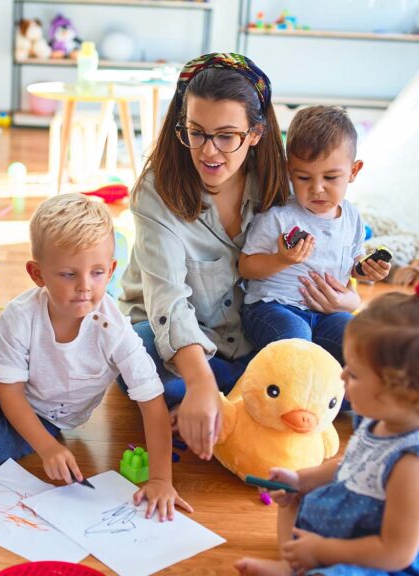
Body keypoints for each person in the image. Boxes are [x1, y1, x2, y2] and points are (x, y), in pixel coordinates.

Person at [0, 194, 192, 521]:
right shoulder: (20, 315)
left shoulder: (115, 331)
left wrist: (160, 480)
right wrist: (47, 447)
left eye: (97, 272)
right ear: (37, 274)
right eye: (69, 275)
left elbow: (152, 403)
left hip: (48, 414)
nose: (85, 287)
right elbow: (10, 391)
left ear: (111, 270)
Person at [118, 53, 291, 460]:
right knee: (137, 361)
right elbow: (168, 303)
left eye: (226, 136)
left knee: (327, 362)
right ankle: (230, 395)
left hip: (248, 335)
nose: (208, 152)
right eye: (196, 132)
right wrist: (199, 383)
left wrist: (344, 295)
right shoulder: (156, 192)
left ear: (255, 133)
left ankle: (223, 396)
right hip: (169, 336)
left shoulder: (277, 185)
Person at [234, 291, 419, 576]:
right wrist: (300, 480)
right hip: (362, 519)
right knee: (293, 496)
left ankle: (309, 565)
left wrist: (322, 550)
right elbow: (356, 462)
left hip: (392, 561)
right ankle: (292, 566)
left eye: (355, 373)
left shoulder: (417, 463)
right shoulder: (384, 418)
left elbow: (395, 553)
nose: (342, 375)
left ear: (402, 392)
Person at [238, 106, 391, 365]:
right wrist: (281, 260)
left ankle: (342, 390)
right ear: (289, 171)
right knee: (296, 340)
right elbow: (246, 266)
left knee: (362, 342)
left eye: (330, 177)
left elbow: (351, 263)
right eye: (303, 177)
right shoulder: (279, 216)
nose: (317, 188)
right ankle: (250, 375)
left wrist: (365, 269)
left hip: (327, 314)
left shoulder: (351, 216)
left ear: (353, 171)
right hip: (272, 306)